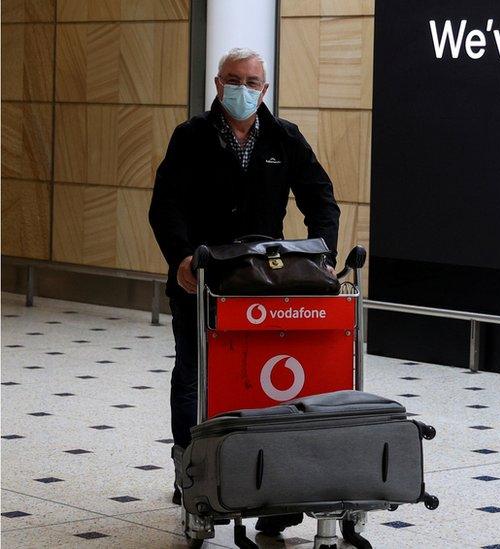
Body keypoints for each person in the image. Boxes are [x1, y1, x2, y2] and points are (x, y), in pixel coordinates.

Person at [148, 47, 340, 535]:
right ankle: (192, 471)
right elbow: (165, 205)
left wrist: (323, 257)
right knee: (195, 374)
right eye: (232, 80)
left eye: (251, 81)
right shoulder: (191, 137)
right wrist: (181, 258)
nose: (241, 89)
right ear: (217, 84)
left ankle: (273, 490)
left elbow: (321, 198)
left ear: (265, 89)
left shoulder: (283, 138)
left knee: (264, 379)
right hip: (203, 279)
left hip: (263, 285)